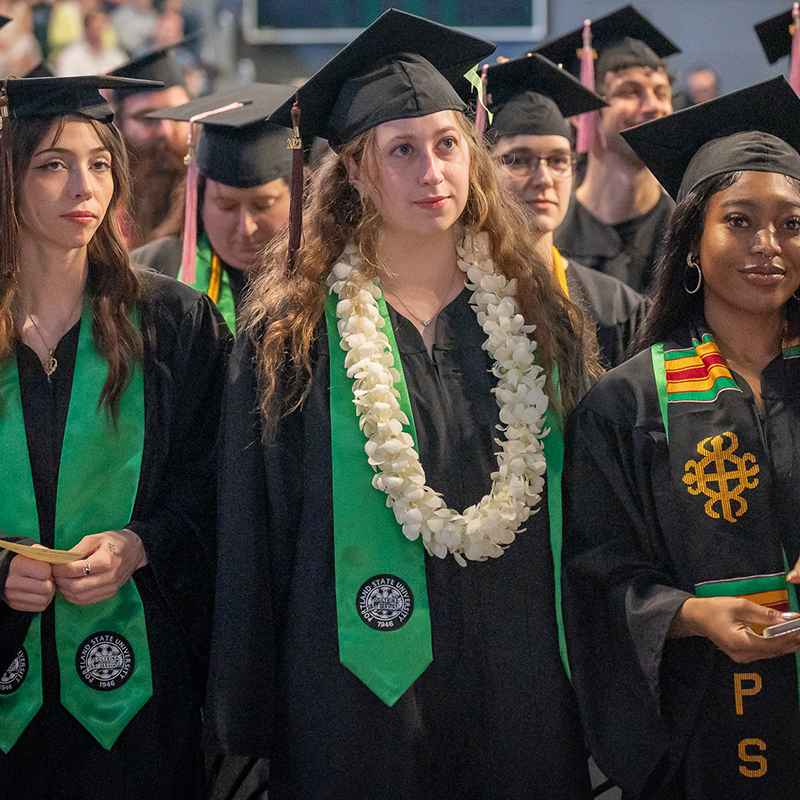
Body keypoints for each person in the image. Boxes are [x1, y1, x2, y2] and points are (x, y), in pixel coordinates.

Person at [206, 9, 597, 798]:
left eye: (448, 145)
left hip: (518, 680)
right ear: (355, 171)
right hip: (351, 692)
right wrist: (250, 709)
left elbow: (589, 511)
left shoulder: (538, 321)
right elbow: (255, 532)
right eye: (403, 151)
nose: (433, 172)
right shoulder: (292, 335)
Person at [562, 76, 800, 800]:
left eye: (792, 223)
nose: (768, 245)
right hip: (703, 735)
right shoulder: (625, 404)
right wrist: (692, 616)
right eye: (739, 221)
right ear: (692, 242)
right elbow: (596, 576)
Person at [0, 75, 231, 798]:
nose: (84, 187)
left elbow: (216, 483)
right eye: (53, 164)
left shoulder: (173, 325)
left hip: (140, 706)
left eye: (100, 163)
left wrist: (141, 544)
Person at [487, 52, 650, 368]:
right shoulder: (455, 300)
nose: (544, 178)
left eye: (558, 160)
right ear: (483, 169)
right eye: (518, 160)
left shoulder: (615, 307)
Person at [535, 5, 679, 294]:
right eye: (630, 92)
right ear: (583, 114)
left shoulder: (686, 234)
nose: (653, 106)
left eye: (661, 93)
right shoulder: (549, 238)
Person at [131, 84, 294, 332]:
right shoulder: (151, 271)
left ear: (298, 198)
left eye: (262, 205)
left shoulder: (328, 276)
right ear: (199, 201)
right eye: (226, 206)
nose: (246, 227)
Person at [109, 42, 192, 248]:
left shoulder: (215, 200)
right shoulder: (102, 208)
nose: (165, 131)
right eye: (147, 118)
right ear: (118, 124)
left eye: (177, 115)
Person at [54, 10, 127, 76]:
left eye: (101, 28)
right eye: (94, 29)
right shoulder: (70, 57)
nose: (97, 34)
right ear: (86, 29)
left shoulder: (117, 57)